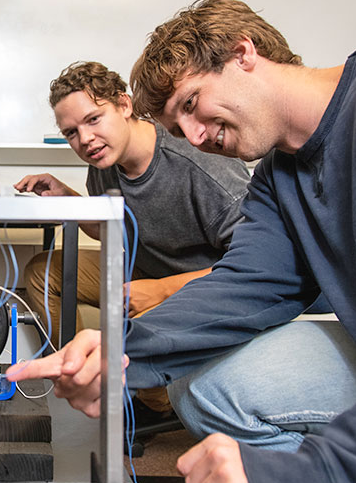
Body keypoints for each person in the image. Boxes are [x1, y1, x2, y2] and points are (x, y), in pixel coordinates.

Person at [8, 0, 356, 483]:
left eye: (190, 104)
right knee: (206, 385)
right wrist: (122, 352)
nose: (193, 137)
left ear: (243, 53)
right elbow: (245, 285)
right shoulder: (278, 179)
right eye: (175, 127)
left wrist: (319, 478)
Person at [14, 61, 249, 345]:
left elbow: (253, 263)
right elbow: (115, 231)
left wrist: (160, 290)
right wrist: (70, 199)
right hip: (145, 270)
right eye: (71, 133)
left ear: (124, 105)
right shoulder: (104, 161)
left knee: (140, 345)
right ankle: (75, 372)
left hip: (207, 287)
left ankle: (147, 385)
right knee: (45, 272)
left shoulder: (199, 165)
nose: (85, 139)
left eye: (93, 119)